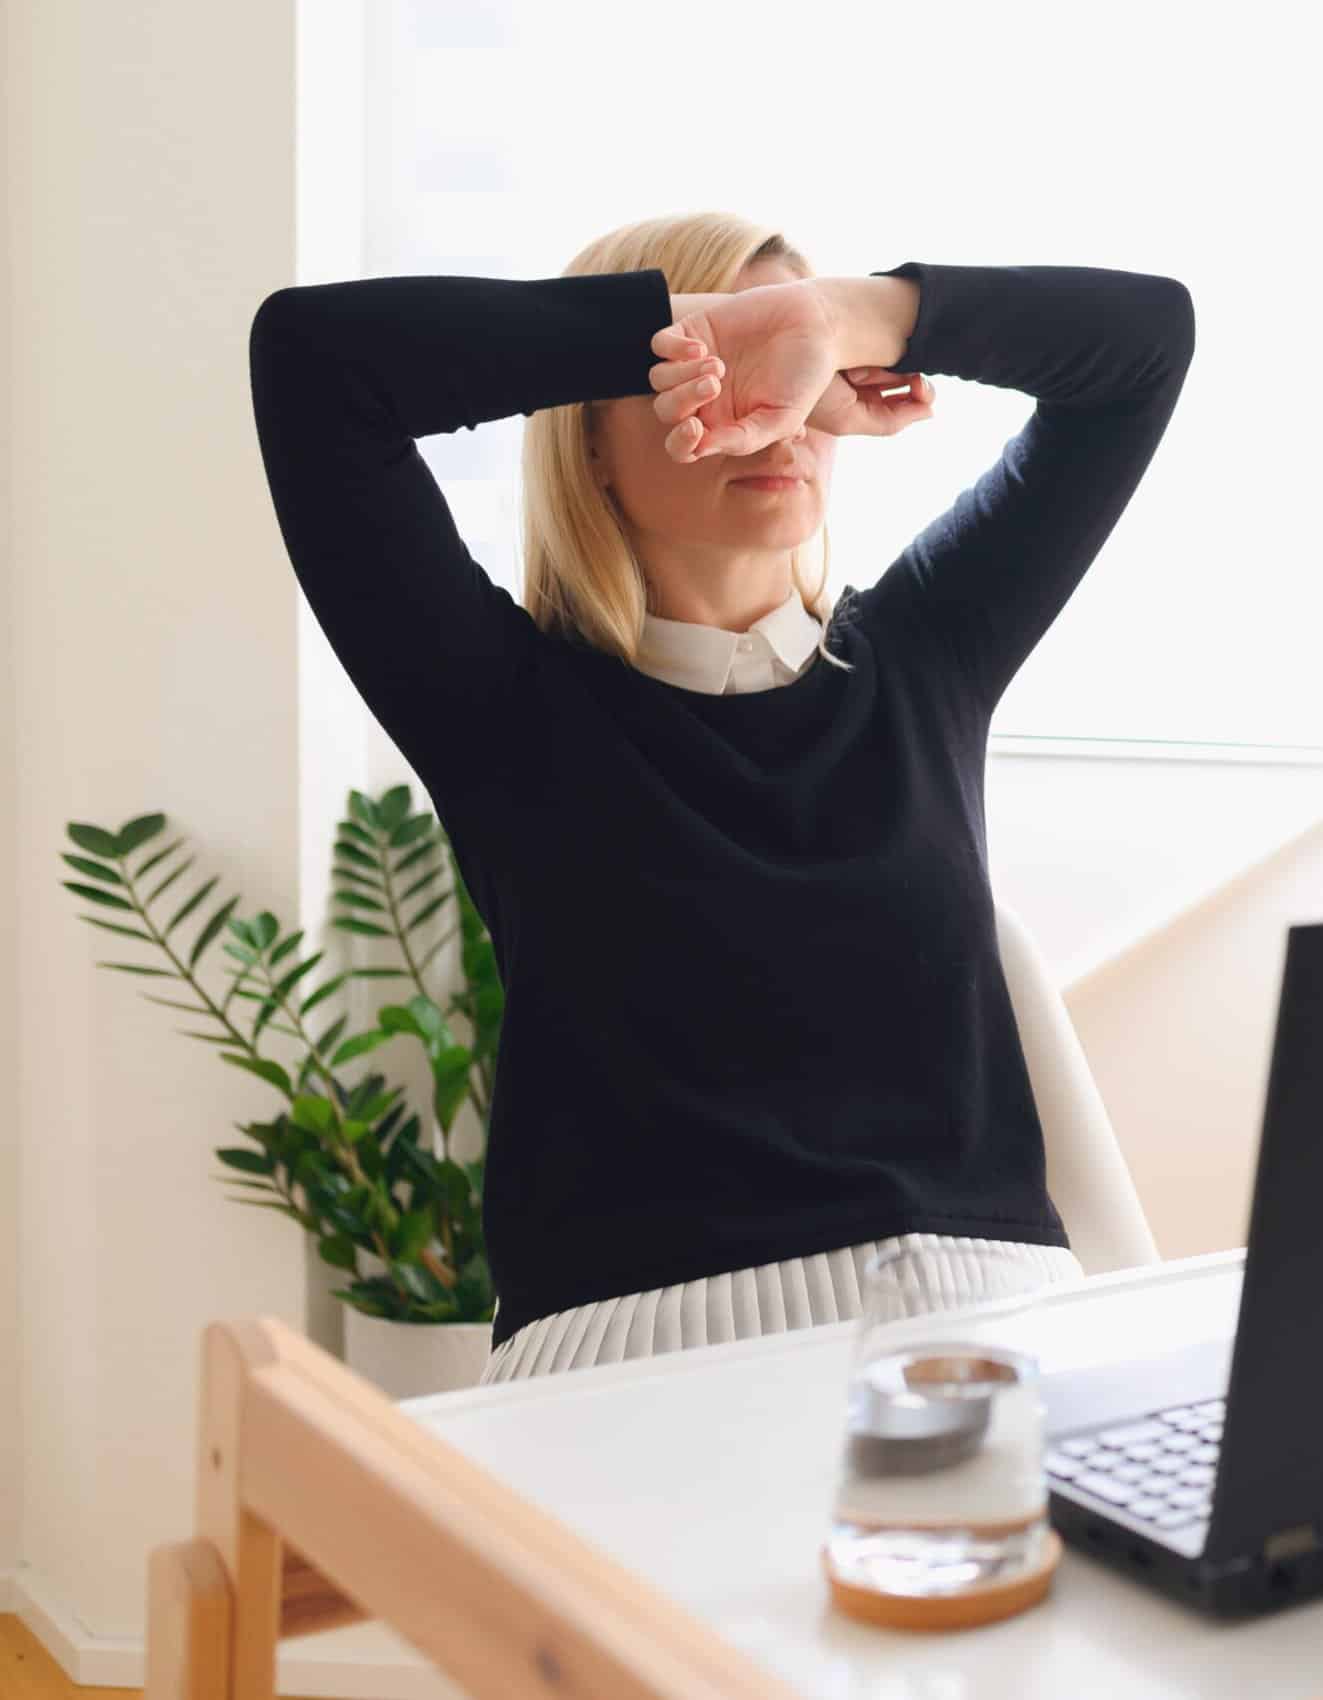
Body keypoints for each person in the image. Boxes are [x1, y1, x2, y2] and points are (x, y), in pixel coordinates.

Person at [247, 211, 1196, 1381]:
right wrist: (674, 328)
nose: (773, 411)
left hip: (985, 1346)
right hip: (639, 1368)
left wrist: (841, 316)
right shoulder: (499, 704)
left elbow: (1148, 341)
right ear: (590, 441)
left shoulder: (927, 656)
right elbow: (313, 360)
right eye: (707, 373)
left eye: (795, 372)